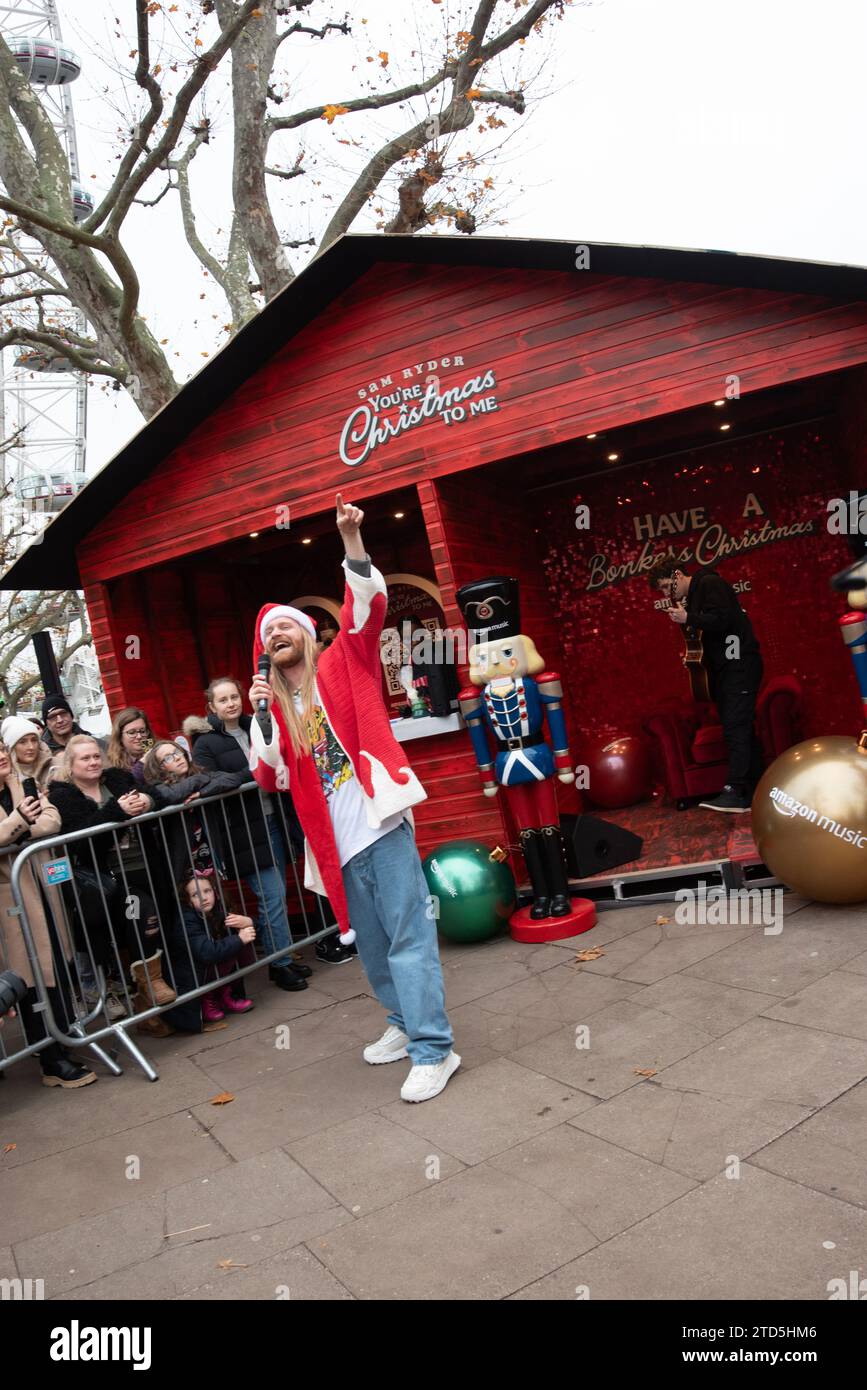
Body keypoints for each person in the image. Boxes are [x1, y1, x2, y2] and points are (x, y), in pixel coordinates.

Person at [248, 492, 459, 1104]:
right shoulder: (279, 712)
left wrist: (351, 543)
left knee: (408, 939)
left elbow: (367, 607)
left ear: (309, 634)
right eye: (269, 633)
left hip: (379, 825)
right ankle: (401, 1023)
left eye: (286, 624)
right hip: (335, 847)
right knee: (370, 949)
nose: (278, 633)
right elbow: (271, 780)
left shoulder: (345, 661)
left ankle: (434, 1049)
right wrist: (260, 719)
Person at [190, 678, 314, 991]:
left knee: (279, 895)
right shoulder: (205, 743)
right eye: (223, 700)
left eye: (234, 697)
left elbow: (280, 757)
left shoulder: (257, 726)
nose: (230, 703)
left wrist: (261, 770)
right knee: (271, 895)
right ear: (212, 707)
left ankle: (283, 955)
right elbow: (211, 781)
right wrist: (258, 771)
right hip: (241, 829)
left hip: (274, 820)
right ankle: (280, 964)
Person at [48, 735, 175, 1028]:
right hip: (107, 881)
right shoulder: (62, 796)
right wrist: (117, 811)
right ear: (70, 764)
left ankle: (153, 1003)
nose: (93, 762)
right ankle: (149, 985)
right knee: (140, 911)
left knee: (159, 925)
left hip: (145, 866)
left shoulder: (118, 778)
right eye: (85, 758)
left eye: (96, 756)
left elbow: (162, 797)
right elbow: (80, 840)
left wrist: (148, 800)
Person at [0, 740, 96, 1088]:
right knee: (29, 977)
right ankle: (50, 1058)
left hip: (44, 888)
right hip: (11, 901)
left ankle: (62, 1040)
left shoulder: (23, 784)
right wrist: (21, 823)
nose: (0, 756)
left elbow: (52, 819)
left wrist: (19, 828)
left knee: (57, 966)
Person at [648, 556, 764, 812]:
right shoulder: (696, 595)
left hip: (740, 666)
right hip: (727, 669)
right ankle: (757, 789)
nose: (668, 593)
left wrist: (688, 617)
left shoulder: (710, 583)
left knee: (736, 728)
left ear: (677, 575)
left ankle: (736, 791)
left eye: (668, 586)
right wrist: (695, 659)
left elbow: (724, 619)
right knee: (740, 728)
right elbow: (713, 633)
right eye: (663, 590)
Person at [179, 871, 256, 1022]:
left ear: (214, 892)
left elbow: (260, 929)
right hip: (194, 975)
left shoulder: (220, 909)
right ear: (189, 901)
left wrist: (249, 922)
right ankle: (208, 999)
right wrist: (238, 939)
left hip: (213, 968)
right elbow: (206, 953)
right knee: (236, 942)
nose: (203, 897)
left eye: (207, 891)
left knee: (242, 940)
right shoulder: (187, 920)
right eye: (195, 895)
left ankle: (226, 994)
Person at [2, 714, 57, 789]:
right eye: (22, 742)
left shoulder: (55, 766)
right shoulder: (4, 775)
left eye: (34, 740)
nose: (31, 747)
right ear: (12, 748)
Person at [41, 693, 107, 755]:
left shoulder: (97, 745)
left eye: (63, 713)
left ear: (71, 715)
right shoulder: (41, 753)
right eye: (53, 717)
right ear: (46, 723)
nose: (60, 720)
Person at [106, 706, 155, 785]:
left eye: (142, 731)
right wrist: (141, 765)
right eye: (132, 732)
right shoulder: (112, 764)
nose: (139, 736)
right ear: (119, 736)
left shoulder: (158, 752)